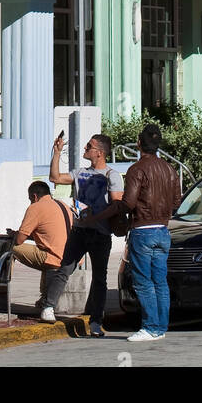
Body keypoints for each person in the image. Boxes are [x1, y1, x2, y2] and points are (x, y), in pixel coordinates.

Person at [43, 132, 125, 337]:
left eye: (89, 146)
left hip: (100, 234)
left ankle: (96, 321)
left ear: (99, 153)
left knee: (100, 278)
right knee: (64, 268)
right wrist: (56, 153)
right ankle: (48, 306)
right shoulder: (79, 172)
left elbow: (117, 206)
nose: (85, 148)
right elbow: (55, 178)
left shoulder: (112, 175)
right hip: (79, 231)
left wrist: (94, 218)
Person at [122, 123, 182, 341]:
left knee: (142, 281)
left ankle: (150, 327)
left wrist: (118, 212)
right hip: (163, 230)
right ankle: (160, 328)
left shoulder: (136, 169)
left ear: (139, 143)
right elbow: (177, 201)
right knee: (160, 281)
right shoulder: (170, 169)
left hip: (143, 229)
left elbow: (128, 202)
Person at [9, 181, 74, 309]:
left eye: (30, 199)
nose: (30, 202)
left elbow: (19, 240)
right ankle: (44, 298)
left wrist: (13, 235)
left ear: (34, 196)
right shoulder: (63, 205)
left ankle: (2, 291)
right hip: (70, 257)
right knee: (43, 249)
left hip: (54, 257)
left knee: (8, 248)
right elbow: (48, 235)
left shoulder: (36, 207)